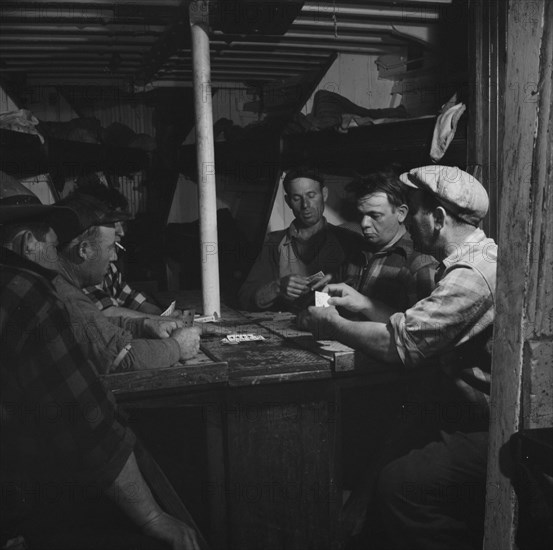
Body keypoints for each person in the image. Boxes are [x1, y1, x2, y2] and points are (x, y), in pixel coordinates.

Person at [301, 165, 497, 550]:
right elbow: (416, 327)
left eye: (415, 210)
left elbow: (398, 344)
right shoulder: (471, 260)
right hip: (461, 409)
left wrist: (331, 324)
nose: (410, 221)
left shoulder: (471, 275)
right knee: (382, 444)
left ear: (438, 218)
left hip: (491, 424)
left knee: (398, 484)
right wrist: (364, 303)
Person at [0, 172, 200, 550]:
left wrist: (143, 324)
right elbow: (88, 421)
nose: (54, 256)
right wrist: (153, 516)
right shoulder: (28, 289)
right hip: (21, 504)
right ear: (28, 243)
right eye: (51, 243)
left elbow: (98, 321)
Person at [48, 193, 200, 373]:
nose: (113, 257)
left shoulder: (63, 284)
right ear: (84, 250)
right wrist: (177, 346)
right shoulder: (68, 298)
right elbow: (122, 357)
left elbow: (98, 325)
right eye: (111, 248)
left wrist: (143, 325)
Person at [238, 166, 363, 311]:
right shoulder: (275, 242)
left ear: (324, 194)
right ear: (288, 201)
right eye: (297, 198)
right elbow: (245, 298)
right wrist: (277, 287)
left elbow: (365, 299)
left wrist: (336, 285)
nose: (305, 205)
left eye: (311, 195)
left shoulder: (349, 241)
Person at [339, 169, 437, 313]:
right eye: (361, 215)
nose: (364, 223)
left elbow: (421, 331)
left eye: (375, 215)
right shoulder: (357, 252)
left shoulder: (420, 264)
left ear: (401, 213)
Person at [74, 177, 163, 317]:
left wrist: (163, 315)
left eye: (123, 223)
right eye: (115, 222)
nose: (121, 231)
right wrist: (158, 321)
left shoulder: (110, 269)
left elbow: (131, 299)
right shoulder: (82, 268)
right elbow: (109, 312)